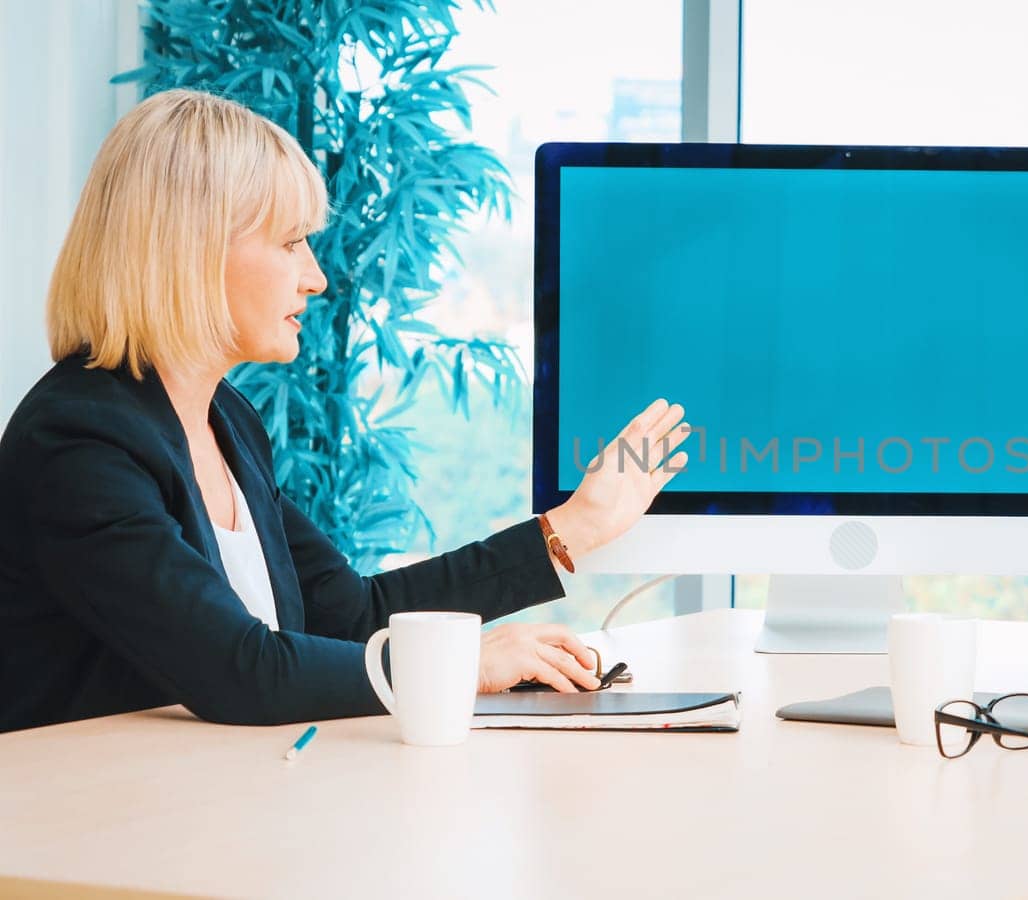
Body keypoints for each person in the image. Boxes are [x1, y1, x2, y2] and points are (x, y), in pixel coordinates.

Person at [0, 89, 691, 733]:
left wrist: (574, 526)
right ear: (193, 252)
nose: (316, 277)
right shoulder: (80, 443)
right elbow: (239, 671)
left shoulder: (226, 420)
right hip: (86, 836)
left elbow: (352, 615)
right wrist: (465, 666)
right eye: (290, 242)